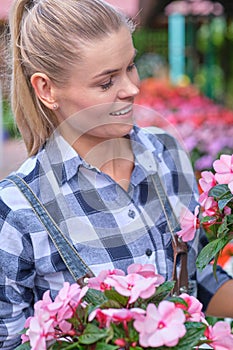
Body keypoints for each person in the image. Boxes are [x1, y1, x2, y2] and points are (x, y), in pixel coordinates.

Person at [0, 0, 233, 348]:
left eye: (131, 66)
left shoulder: (166, 152)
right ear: (47, 89)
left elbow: (198, 279)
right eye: (107, 82)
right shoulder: (16, 211)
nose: (131, 89)